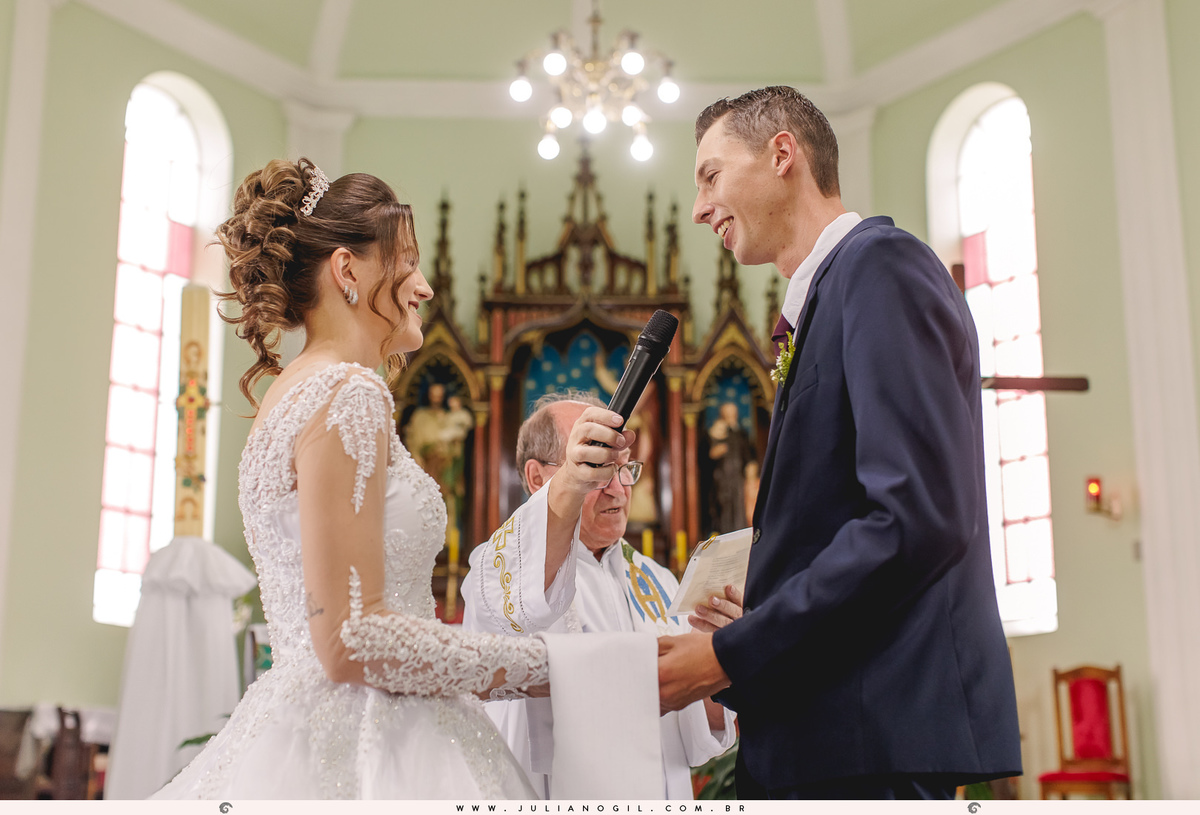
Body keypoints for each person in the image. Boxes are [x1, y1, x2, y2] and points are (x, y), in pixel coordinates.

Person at [152, 158, 622, 800]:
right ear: (348, 271)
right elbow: (353, 637)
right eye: (407, 262)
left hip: (298, 722)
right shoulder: (349, 391)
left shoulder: (288, 393)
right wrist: (556, 665)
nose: (425, 286)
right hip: (378, 738)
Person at [657, 86, 1022, 799]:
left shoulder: (881, 267)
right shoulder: (831, 294)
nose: (699, 207)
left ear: (782, 153)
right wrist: (762, 613)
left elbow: (912, 518)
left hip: (869, 743)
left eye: (709, 175)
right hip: (826, 729)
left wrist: (728, 653)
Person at [462, 392, 736, 799]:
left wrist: (723, 655)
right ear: (538, 479)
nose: (619, 491)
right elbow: (498, 635)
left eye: (625, 470)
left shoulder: (657, 578)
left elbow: (696, 730)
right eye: (596, 470)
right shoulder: (503, 567)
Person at [706, 401, 756, 534]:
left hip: (738, 478)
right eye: (727, 414)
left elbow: (749, 455)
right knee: (723, 510)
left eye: (732, 414)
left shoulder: (741, 434)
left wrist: (751, 468)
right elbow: (708, 454)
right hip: (721, 479)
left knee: (739, 509)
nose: (730, 417)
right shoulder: (717, 431)